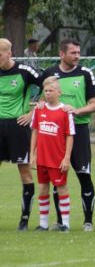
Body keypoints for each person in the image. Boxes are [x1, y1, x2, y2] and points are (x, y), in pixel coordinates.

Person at [40, 38, 95, 232]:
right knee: (58, 177)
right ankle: (60, 221)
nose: (77, 56)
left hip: (79, 130)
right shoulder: (50, 74)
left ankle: (88, 221)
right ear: (62, 54)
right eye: (73, 53)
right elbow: (44, 98)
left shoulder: (85, 73)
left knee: (84, 175)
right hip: (56, 134)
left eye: (78, 53)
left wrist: (76, 111)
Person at [0, 38, 40, 231]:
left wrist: (33, 113)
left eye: (0, 54)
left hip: (18, 126)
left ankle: (24, 220)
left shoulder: (25, 71)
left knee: (24, 172)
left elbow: (48, 87)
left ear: (9, 53)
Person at [31, 77, 75, 232]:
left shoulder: (65, 111)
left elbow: (70, 135)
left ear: (59, 92)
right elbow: (35, 132)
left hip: (57, 158)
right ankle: (43, 224)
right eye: (46, 91)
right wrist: (33, 154)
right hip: (42, 157)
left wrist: (67, 157)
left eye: (51, 91)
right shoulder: (39, 109)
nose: (48, 93)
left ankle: (65, 223)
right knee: (43, 188)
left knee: (62, 188)